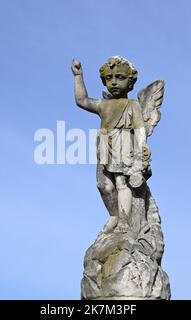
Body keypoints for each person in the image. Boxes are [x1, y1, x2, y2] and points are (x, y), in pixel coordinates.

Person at [71, 56, 151, 233]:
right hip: (105, 148)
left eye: (120, 78)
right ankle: (113, 214)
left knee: (121, 183)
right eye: (109, 78)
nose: (114, 82)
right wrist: (78, 76)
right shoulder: (103, 104)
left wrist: (141, 148)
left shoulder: (132, 104)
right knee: (103, 185)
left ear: (130, 82)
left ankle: (124, 220)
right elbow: (81, 101)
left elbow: (139, 128)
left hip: (124, 145)